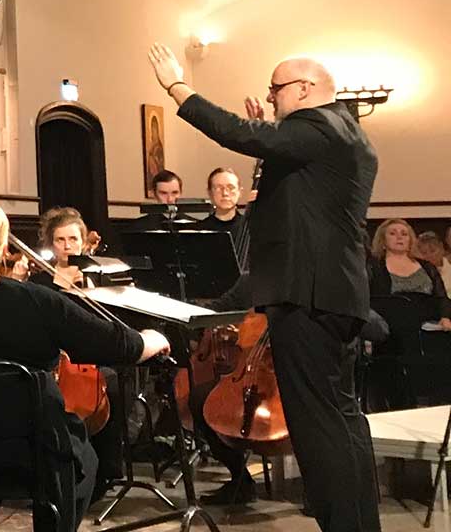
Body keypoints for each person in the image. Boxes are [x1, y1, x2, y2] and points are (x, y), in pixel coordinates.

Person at [148, 44, 381, 532]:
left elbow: (239, 132)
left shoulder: (318, 127)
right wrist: (272, 135)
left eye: (276, 88)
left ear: (304, 89)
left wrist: (178, 87)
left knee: (317, 425)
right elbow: (290, 186)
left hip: (308, 294)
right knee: (341, 418)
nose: (270, 96)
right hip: (334, 292)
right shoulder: (348, 134)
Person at [0, 196, 167, 532]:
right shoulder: (36, 301)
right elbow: (117, 344)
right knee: (84, 459)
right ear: (3, 244)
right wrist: (152, 339)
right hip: (25, 453)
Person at [33, 207, 128, 491]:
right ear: (51, 244)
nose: (67, 246)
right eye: (60, 240)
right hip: (51, 358)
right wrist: (56, 287)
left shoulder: (98, 277)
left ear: (83, 241)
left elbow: (108, 324)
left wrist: (87, 288)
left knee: (108, 384)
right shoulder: (40, 281)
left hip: (90, 358)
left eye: (73, 239)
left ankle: (105, 471)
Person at [204, 167, 251, 271]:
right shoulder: (199, 230)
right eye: (218, 188)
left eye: (231, 187)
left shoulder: (251, 228)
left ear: (240, 192)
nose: (225, 193)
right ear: (210, 193)